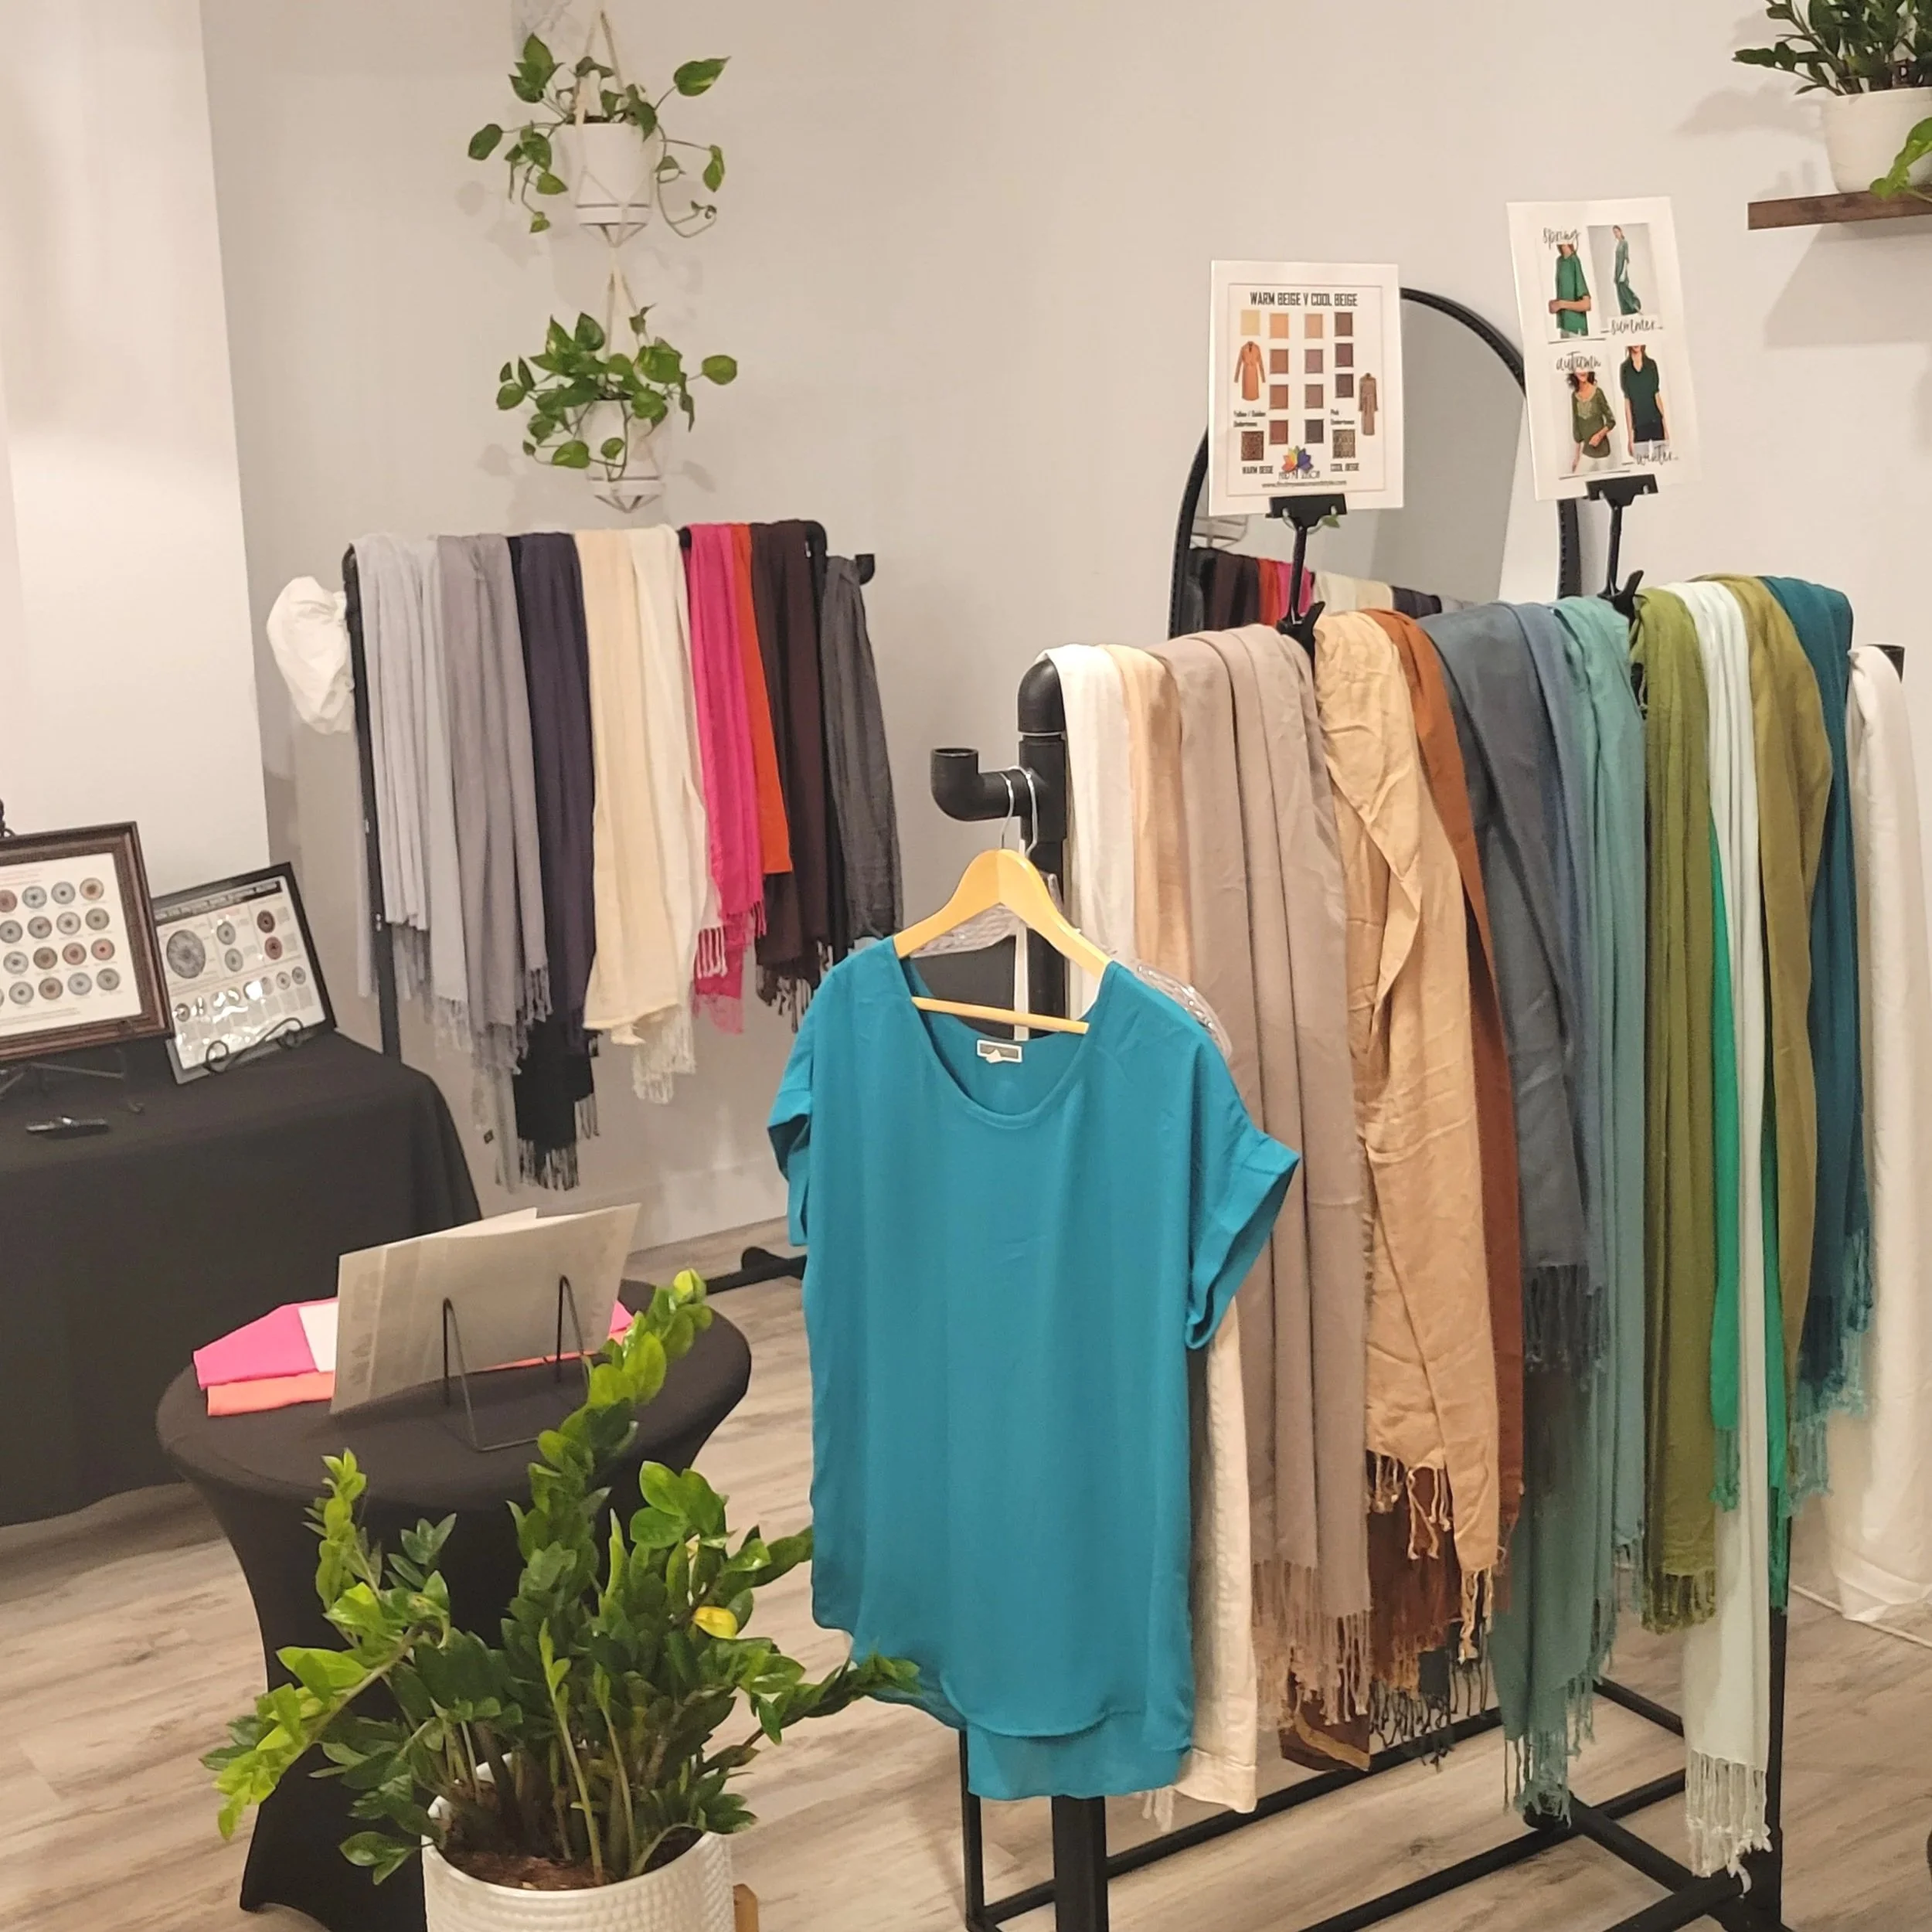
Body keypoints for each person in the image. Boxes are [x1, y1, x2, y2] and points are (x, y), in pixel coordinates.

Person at [1619, 344, 1668, 461]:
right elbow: (1627, 403)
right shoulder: (1625, 368)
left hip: (1656, 423)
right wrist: (1630, 438)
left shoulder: (1651, 365)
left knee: (1661, 463)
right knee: (1642, 465)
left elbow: (1657, 396)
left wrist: (1665, 429)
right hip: (1639, 427)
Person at [1569, 367, 1616, 473]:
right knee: (1578, 479)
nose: (1582, 371)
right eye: (1578, 369)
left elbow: (1611, 421)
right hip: (1587, 451)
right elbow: (1577, 429)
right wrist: (1577, 458)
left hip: (1603, 452)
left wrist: (1599, 436)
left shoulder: (1598, 393)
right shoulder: (1574, 397)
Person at [1549, 241, 1591, 336]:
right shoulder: (1560, 261)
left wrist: (1561, 304)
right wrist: (1555, 304)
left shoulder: (1574, 261)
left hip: (1576, 328)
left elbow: (1586, 305)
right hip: (1564, 327)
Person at [1613, 223, 1642, 315]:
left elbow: (1626, 259)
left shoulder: (1624, 243)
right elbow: (1617, 261)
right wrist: (1615, 275)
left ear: (1621, 232)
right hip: (1617, 271)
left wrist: (1623, 274)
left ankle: (1635, 306)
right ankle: (1625, 312)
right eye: (1614, 233)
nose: (1616, 234)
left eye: (1617, 232)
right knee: (1620, 293)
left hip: (1622, 271)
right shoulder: (1617, 245)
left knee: (1625, 290)